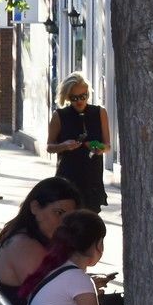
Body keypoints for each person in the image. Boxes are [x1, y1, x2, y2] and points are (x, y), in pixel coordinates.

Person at [0, 176, 82, 302]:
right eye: (58, 213)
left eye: (69, 217)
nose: (63, 223)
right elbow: (48, 303)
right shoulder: (25, 247)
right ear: (35, 207)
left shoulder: (26, 236)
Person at [48, 72, 110, 210]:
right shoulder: (59, 116)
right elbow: (49, 147)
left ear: (88, 93)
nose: (80, 101)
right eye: (74, 98)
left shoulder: (100, 113)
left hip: (92, 177)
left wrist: (100, 148)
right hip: (68, 175)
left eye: (83, 96)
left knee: (90, 220)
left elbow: (108, 146)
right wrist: (64, 146)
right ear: (67, 97)